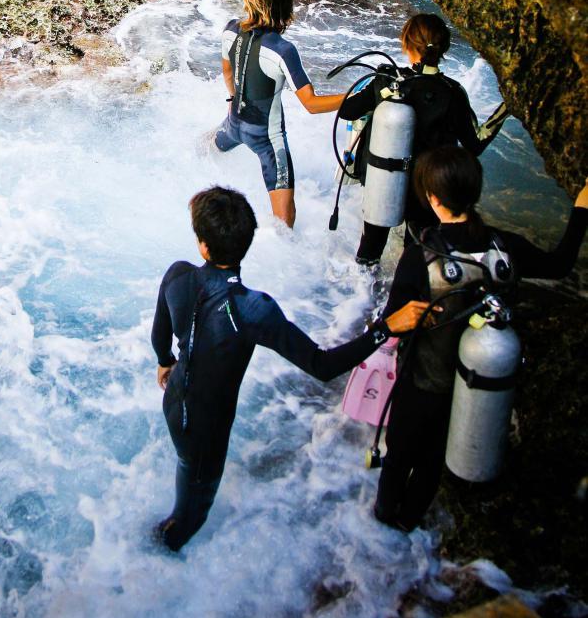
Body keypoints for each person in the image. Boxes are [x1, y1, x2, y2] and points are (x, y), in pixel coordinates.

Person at [151, 185, 429, 551]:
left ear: (204, 247)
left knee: (188, 468)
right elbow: (322, 365)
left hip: (174, 403)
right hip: (206, 428)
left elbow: (160, 335)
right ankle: (164, 547)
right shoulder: (254, 309)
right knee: (192, 511)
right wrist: (385, 328)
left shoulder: (177, 274)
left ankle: (156, 540)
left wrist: (165, 362)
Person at [375, 145, 588, 532]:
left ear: (432, 198)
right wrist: (582, 208)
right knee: (433, 463)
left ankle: (384, 524)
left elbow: (392, 322)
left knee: (399, 457)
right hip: (476, 389)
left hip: (422, 383)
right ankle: (408, 523)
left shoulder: (419, 257)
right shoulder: (506, 248)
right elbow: (560, 264)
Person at [337, 12, 508, 265]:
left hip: (385, 182)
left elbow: (346, 111)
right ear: (443, 48)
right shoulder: (452, 92)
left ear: (406, 43)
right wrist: (507, 108)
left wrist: (376, 92)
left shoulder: (389, 83)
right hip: (428, 192)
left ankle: (364, 289)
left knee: (369, 251)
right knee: (417, 255)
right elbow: (476, 144)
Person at [216, 0, 347, 228]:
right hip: (266, 140)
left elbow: (228, 73)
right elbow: (311, 104)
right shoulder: (283, 50)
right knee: (284, 221)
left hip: (233, 123)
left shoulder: (230, 30)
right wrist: (353, 95)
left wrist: (233, 101)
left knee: (206, 148)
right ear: (285, 8)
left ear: (249, 1)